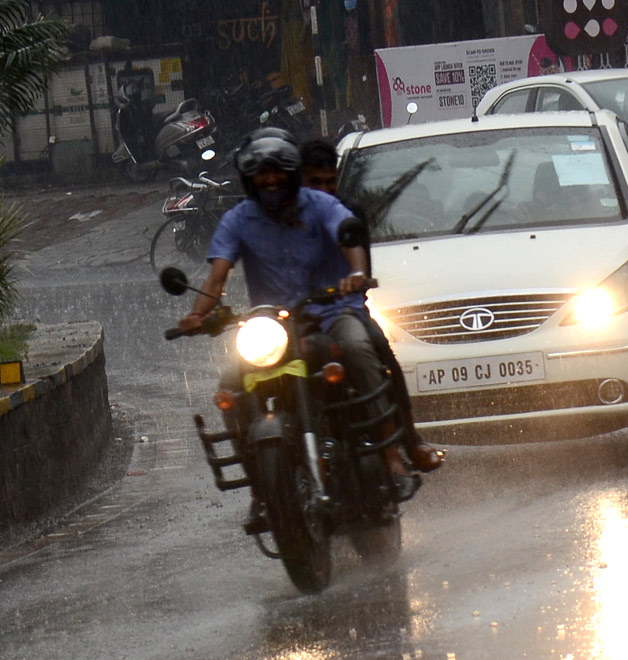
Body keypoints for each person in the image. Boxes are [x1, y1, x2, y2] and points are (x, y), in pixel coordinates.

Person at [175, 127, 422, 525]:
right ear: (249, 180)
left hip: (331, 312)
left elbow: (350, 239)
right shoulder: (237, 219)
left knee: (360, 348)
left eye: (277, 172)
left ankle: (393, 457)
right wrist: (197, 315)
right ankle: (262, 490)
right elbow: (215, 279)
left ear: (292, 175)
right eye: (261, 174)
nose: (269, 180)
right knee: (230, 383)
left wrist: (357, 273)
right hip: (273, 327)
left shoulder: (320, 205)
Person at [300, 136, 445, 474]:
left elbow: (361, 269)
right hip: (293, 317)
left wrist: (356, 278)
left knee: (378, 351)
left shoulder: (350, 214)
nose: (324, 190)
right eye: (314, 182)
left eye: (329, 182)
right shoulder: (283, 217)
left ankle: (403, 444)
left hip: (342, 309)